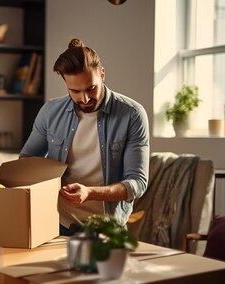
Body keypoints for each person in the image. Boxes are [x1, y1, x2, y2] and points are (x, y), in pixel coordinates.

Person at [20, 38, 149, 234]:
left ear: (102, 74)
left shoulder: (132, 114)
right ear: (65, 83)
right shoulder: (50, 112)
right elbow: (26, 160)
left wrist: (90, 193)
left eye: (91, 88)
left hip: (107, 225)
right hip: (56, 220)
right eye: (75, 91)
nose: (85, 99)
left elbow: (137, 183)